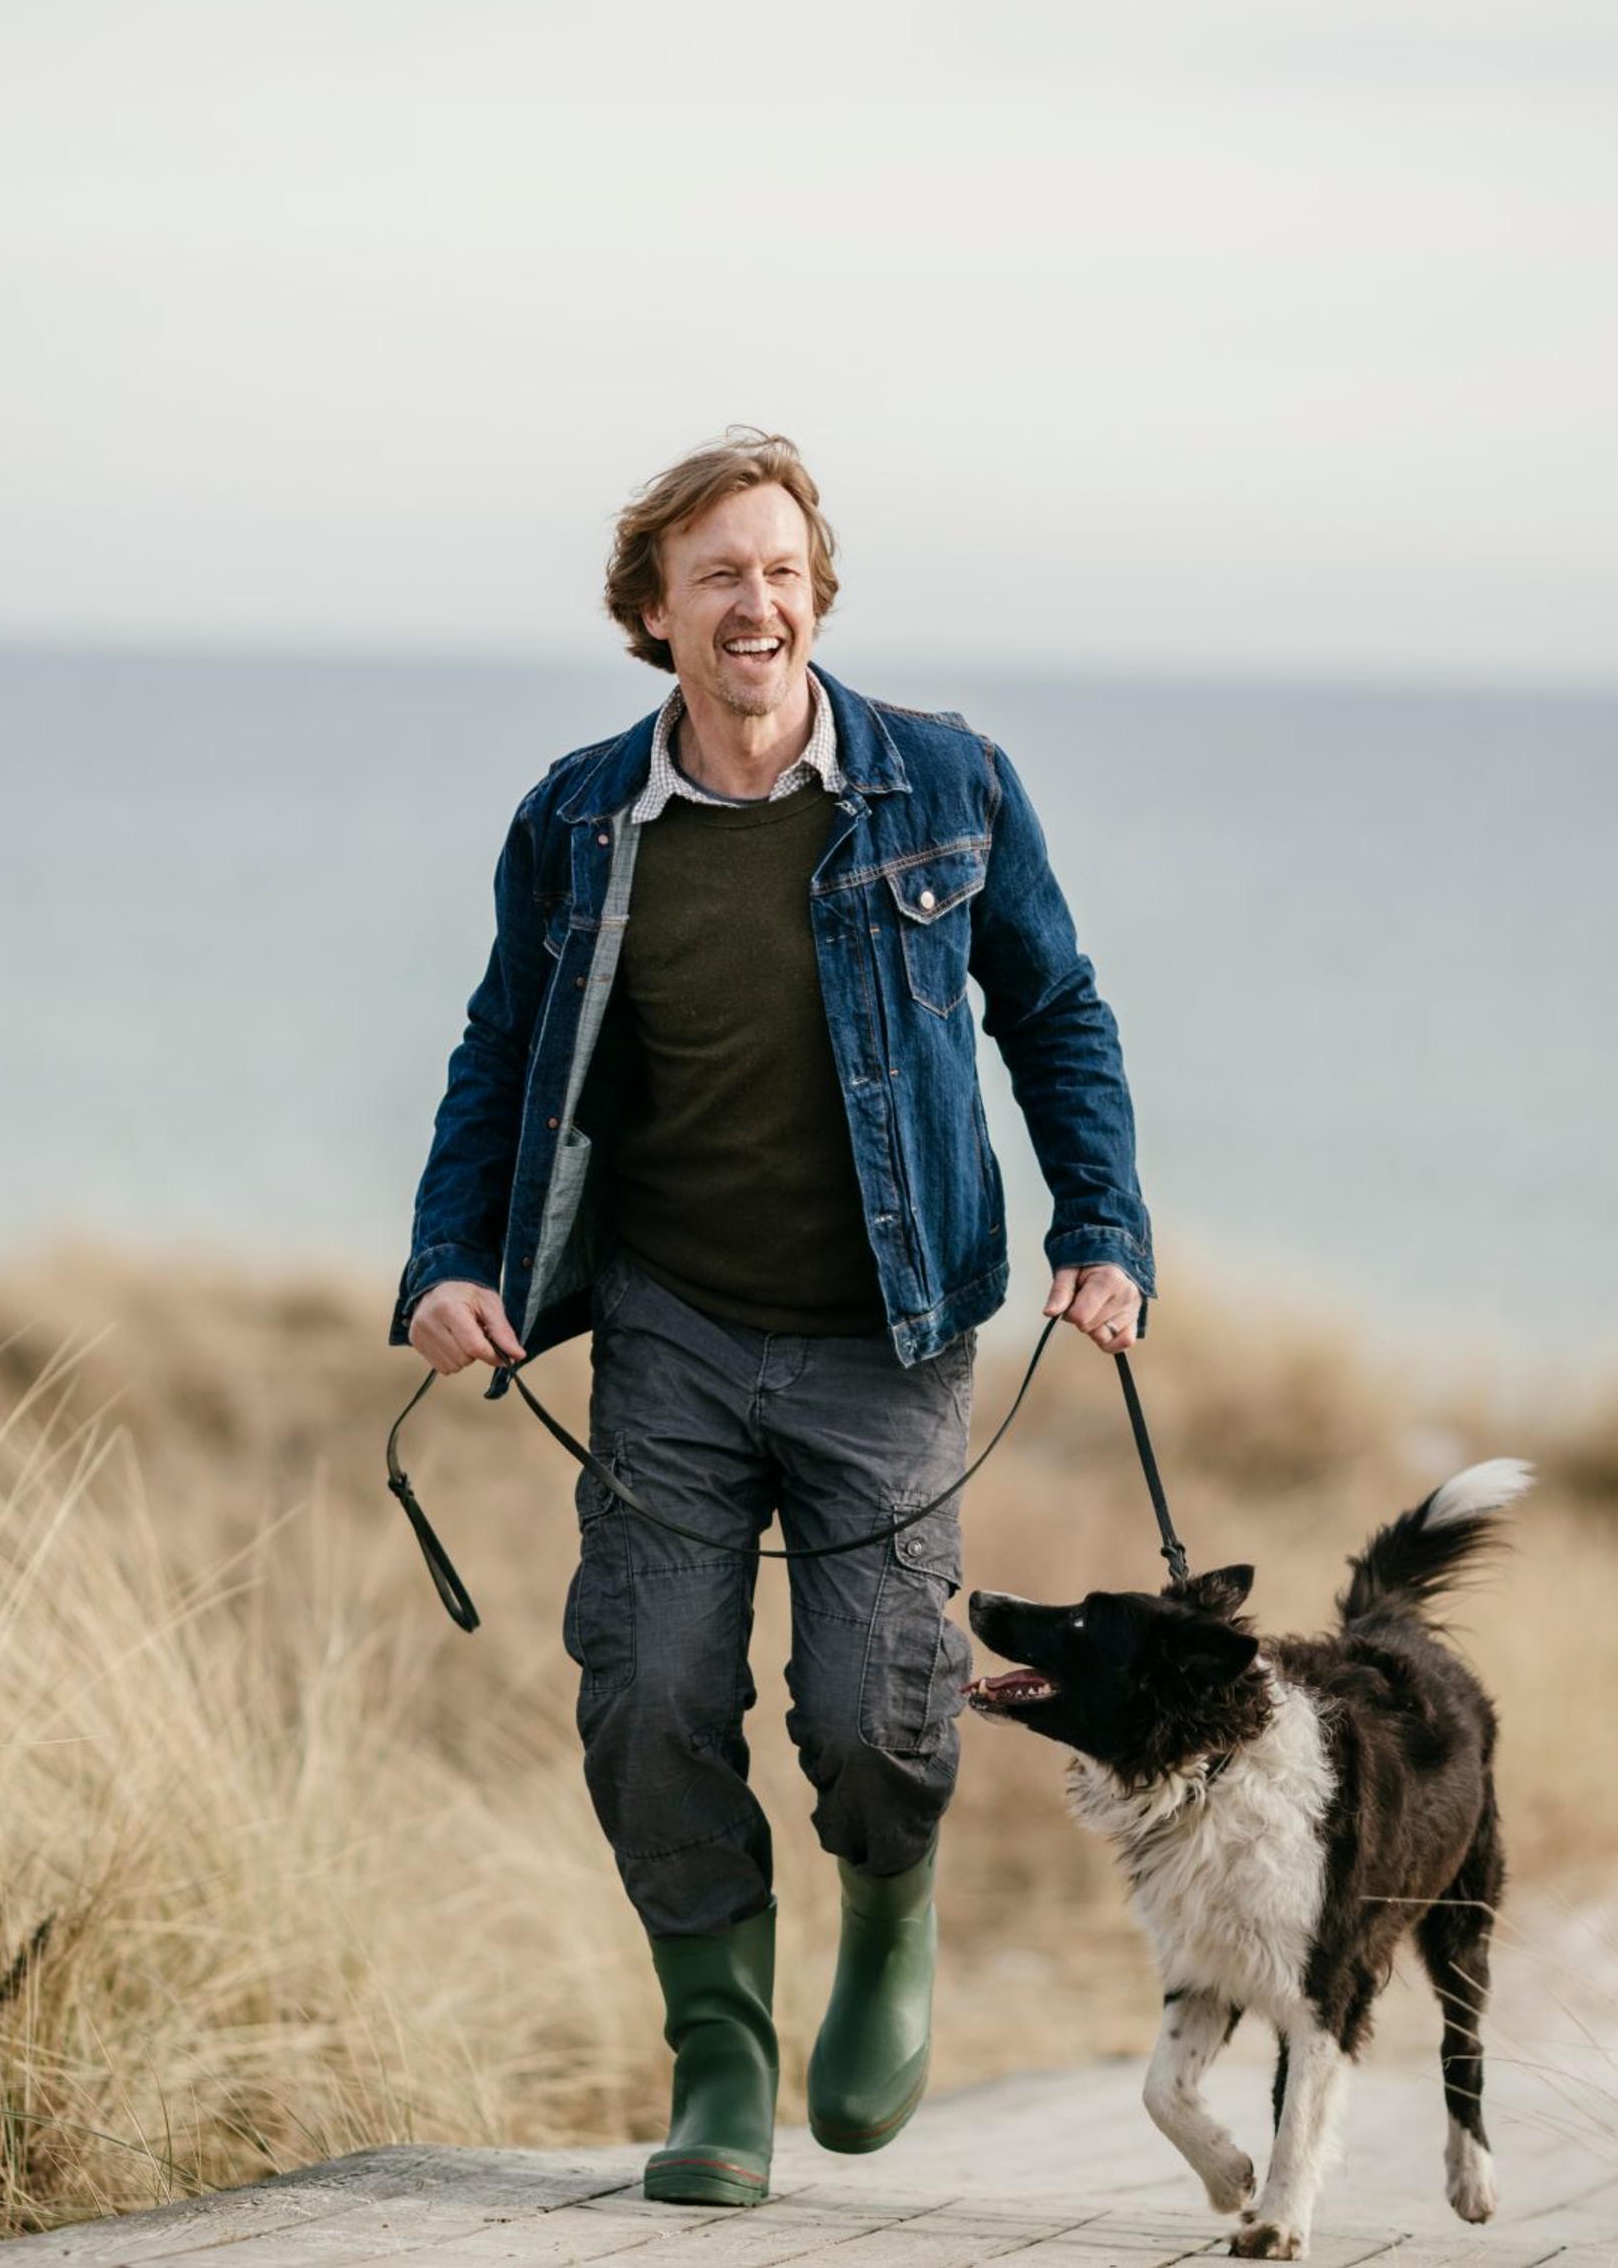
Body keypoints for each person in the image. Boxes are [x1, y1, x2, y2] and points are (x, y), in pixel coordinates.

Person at [394, 428, 1155, 2206]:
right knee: (651, 1690)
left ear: (819, 595)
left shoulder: (948, 783)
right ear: (654, 611)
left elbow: (1056, 1011)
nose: (759, 601)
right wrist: (445, 1263)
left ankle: (888, 1919)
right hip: (671, 1322)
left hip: (893, 1330)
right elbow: (500, 1050)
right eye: (720, 573)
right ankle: (721, 2055)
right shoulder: (578, 818)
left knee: (869, 1711)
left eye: (784, 570)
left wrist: (1102, 1226)